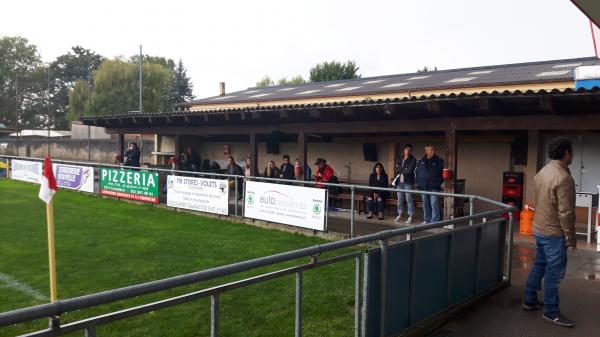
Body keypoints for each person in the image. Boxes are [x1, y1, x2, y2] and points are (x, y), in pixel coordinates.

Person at [523, 137, 576, 327]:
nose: (572, 154)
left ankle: (529, 299)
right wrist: (571, 238)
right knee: (554, 273)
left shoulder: (542, 172)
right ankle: (551, 311)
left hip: (539, 228)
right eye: (571, 151)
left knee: (539, 264)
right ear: (565, 152)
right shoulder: (563, 177)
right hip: (554, 232)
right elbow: (566, 212)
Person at [415, 145, 444, 223]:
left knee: (434, 203)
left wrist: (439, 182)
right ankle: (427, 219)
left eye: (433, 150)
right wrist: (418, 182)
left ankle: (435, 221)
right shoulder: (421, 160)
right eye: (431, 150)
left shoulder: (438, 160)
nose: (433, 151)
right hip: (423, 186)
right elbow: (416, 172)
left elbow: (443, 173)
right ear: (426, 151)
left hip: (434, 186)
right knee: (425, 204)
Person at [393, 144, 417, 224]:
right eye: (406, 149)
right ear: (404, 150)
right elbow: (396, 168)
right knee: (400, 199)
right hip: (400, 182)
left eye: (409, 150)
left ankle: (411, 216)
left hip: (408, 182)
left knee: (409, 199)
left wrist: (401, 169)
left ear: (411, 151)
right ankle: (399, 214)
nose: (407, 151)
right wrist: (404, 169)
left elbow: (409, 170)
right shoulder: (400, 158)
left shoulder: (413, 159)